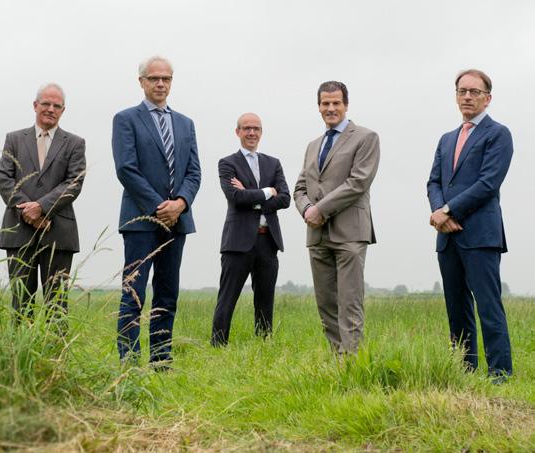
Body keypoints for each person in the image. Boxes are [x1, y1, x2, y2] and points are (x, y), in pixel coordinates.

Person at [112, 56, 201, 366]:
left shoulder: (185, 123)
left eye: (166, 78)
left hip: (177, 223)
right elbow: (126, 169)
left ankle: (161, 362)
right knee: (133, 295)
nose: (160, 83)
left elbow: (194, 172)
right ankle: (130, 363)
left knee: (167, 296)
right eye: (154, 78)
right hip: (140, 222)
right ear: (141, 82)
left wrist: (180, 203)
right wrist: (157, 207)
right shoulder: (126, 119)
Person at [427, 69, 513, 379]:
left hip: (480, 235)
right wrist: (439, 212)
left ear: (487, 98)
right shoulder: (446, 139)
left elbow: (488, 183)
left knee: (488, 308)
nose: (467, 96)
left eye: (474, 92)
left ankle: (500, 375)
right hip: (447, 237)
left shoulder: (498, 134)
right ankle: (464, 371)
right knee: (456, 309)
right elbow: (434, 181)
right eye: (462, 91)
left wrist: (448, 210)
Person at [293, 81, 380, 354]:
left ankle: (350, 364)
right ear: (319, 106)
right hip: (317, 234)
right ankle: (336, 358)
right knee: (326, 303)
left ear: (346, 105)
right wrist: (307, 209)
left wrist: (321, 209)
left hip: (350, 233)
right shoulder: (313, 145)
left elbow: (358, 183)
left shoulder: (366, 137)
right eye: (325, 103)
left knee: (350, 302)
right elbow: (300, 187)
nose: (330, 108)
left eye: (336, 103)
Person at [0, 83, 86, 323]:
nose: (50, 109)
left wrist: (42, 207)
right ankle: (22, 358)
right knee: (21, 302)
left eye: (57, 106)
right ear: (35, 105)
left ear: (63, 110)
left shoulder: (75, 143)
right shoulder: (14, 139)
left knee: (56, 305)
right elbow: (4, 178)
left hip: (58, 232)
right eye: (45, 103)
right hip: (19, 230)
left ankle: (56, 358)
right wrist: (28, 210)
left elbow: (74, 182)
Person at [211, 113, 290, 346]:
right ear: (238, 132)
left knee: (265, 299)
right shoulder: (227, 163)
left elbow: (285, 198)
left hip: (268, 241)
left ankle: (264, 345)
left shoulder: (273, 163)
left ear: (261, 132)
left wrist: (251, 195)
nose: (251, 133)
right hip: (238, 243)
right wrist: (267, 192)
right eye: (246, 128)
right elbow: (235, 197)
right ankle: (217, 346)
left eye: (256, 128)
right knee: (227, 298)